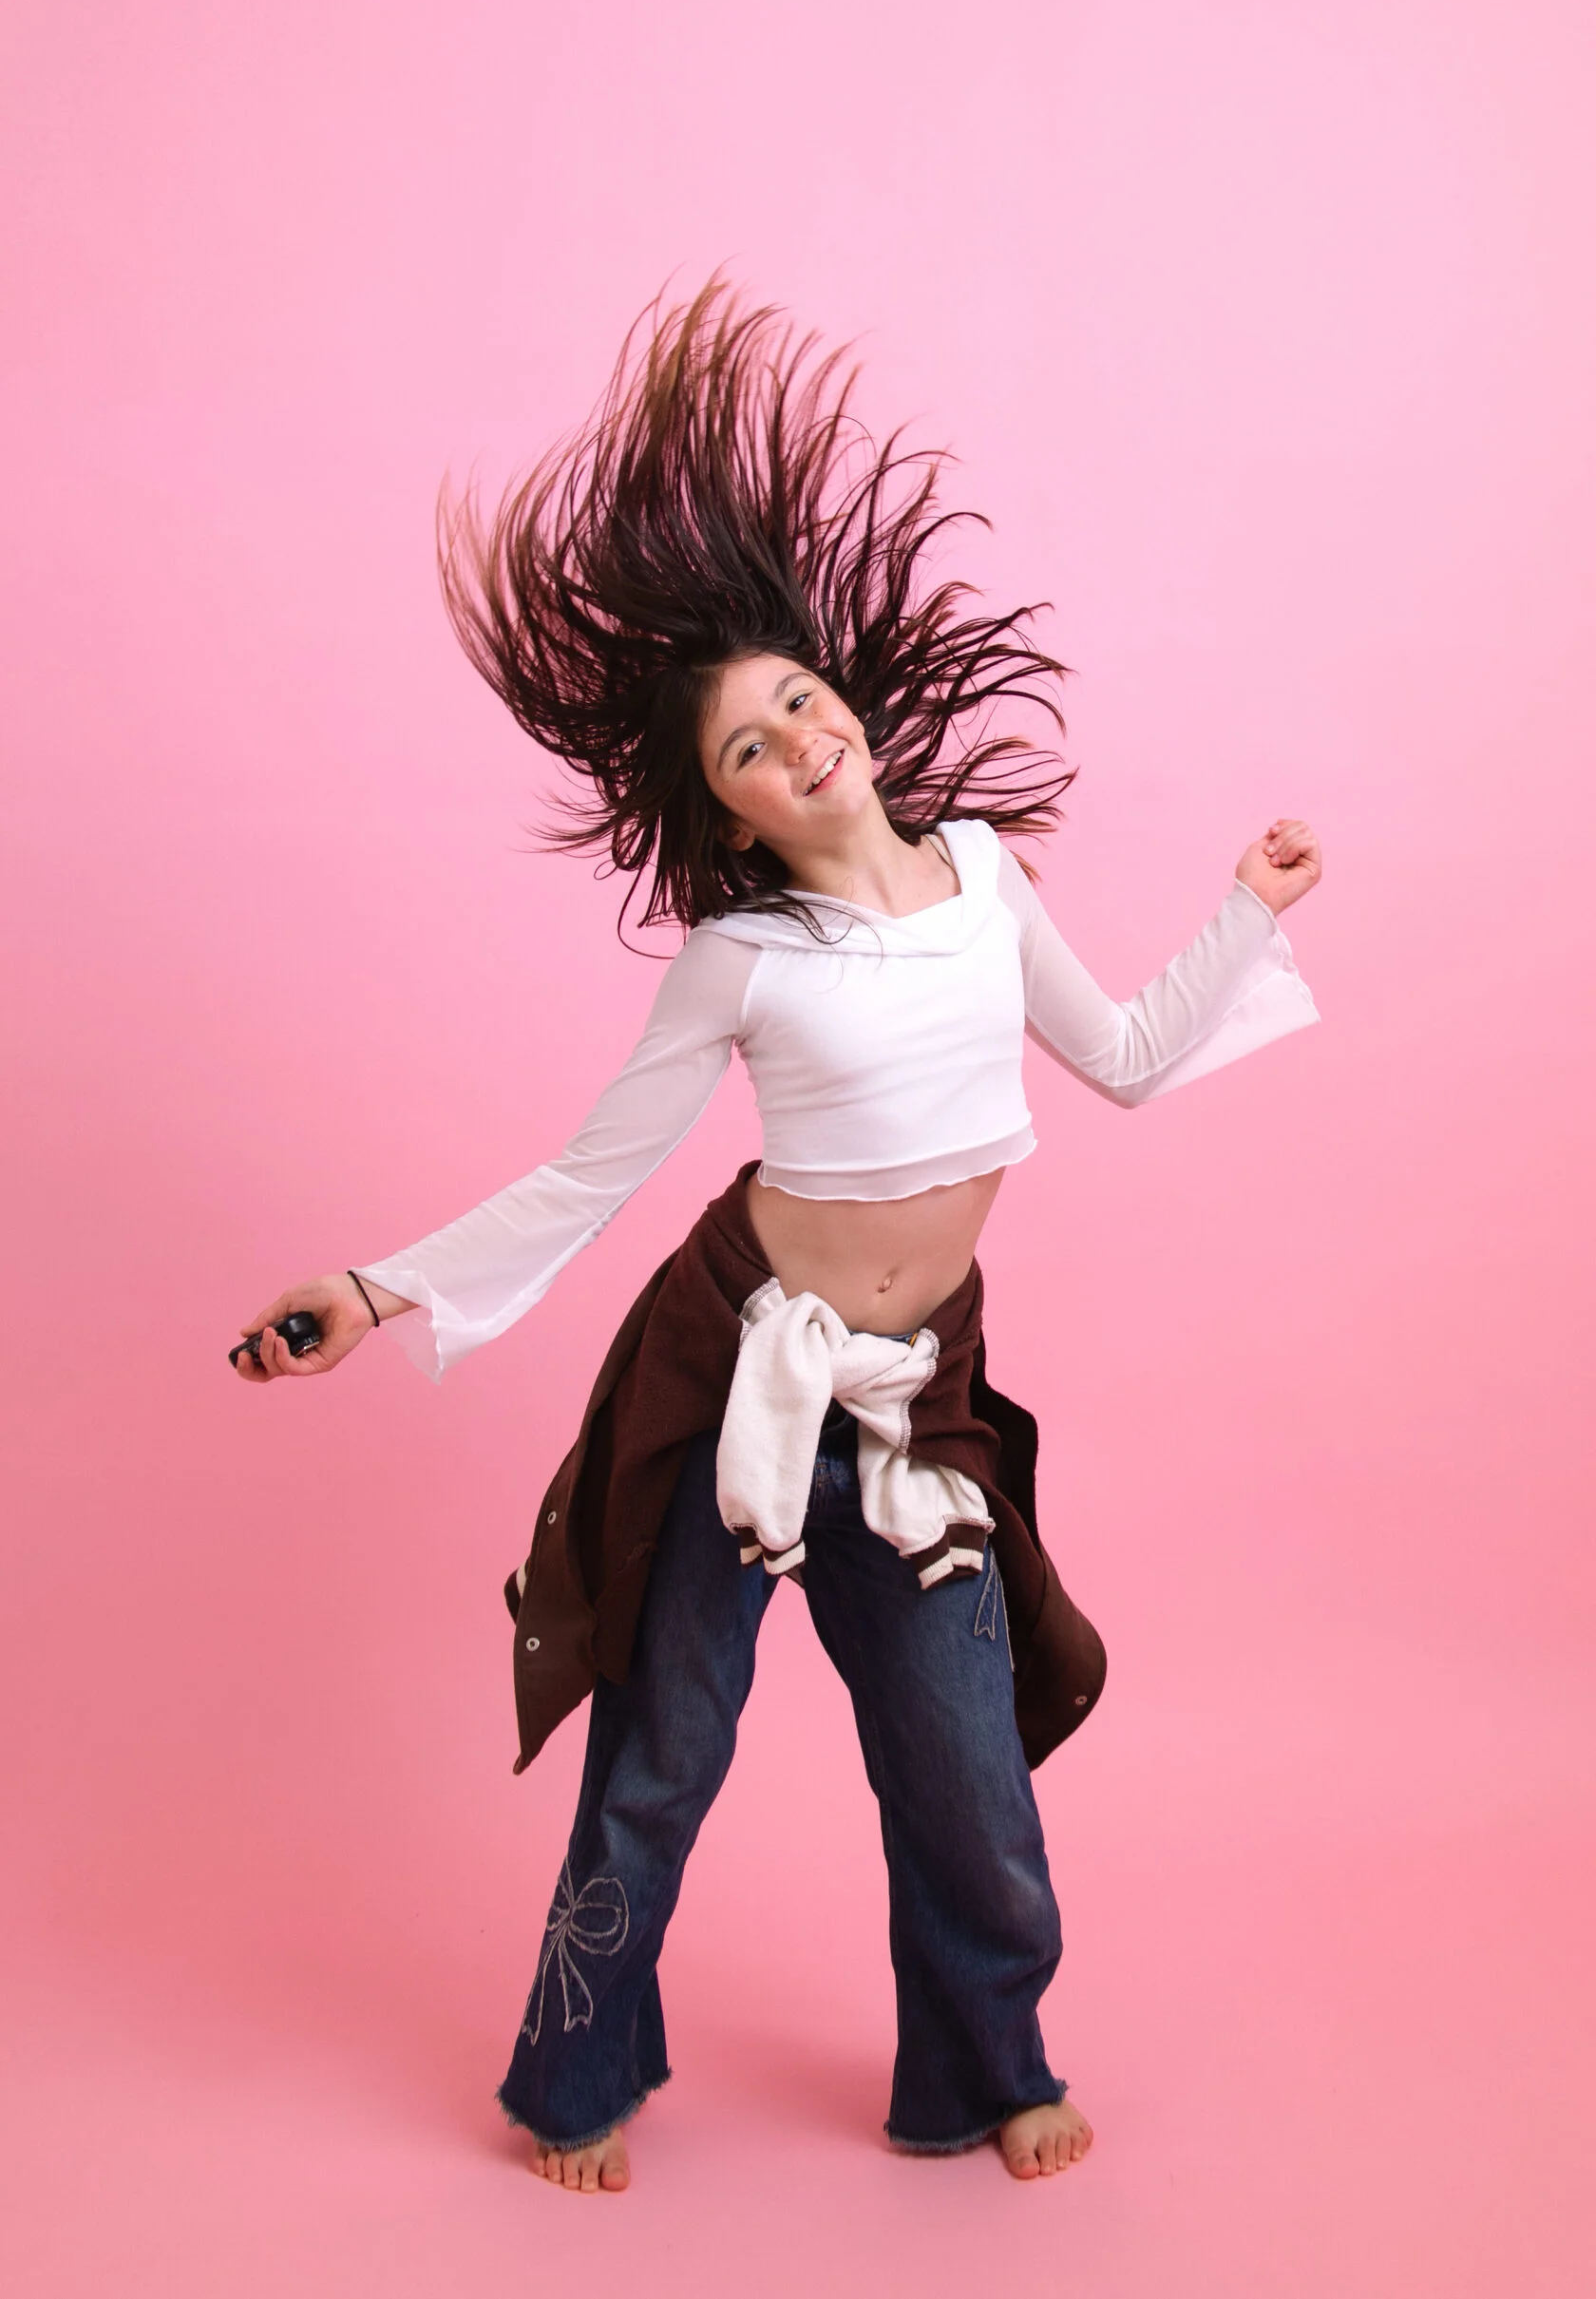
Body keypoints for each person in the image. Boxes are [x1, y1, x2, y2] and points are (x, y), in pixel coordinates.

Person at [235, 278, 1322, 2195]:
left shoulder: (984, 875)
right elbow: (590, 1176)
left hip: (914, 1411)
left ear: (851, 707)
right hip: (735, 1383)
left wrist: (1241, 905)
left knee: (966, 1777)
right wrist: (374, 1286)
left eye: (801, 701)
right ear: (726, 819)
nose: (800, 737)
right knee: (663, 1757)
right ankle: (575, 2085)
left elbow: (1134, 1063)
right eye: (751, 745)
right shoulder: (744, 962)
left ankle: (985, 2067)